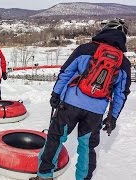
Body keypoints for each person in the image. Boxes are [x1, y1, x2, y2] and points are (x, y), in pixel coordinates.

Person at [30, 19, 131, 180]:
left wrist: (55, 94)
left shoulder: (85, 49)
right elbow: (121, 93)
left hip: (71, 104)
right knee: (87, 147)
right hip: (96, 111)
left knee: (56, 137)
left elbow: (66, 73)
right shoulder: (123, 63)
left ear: (104, 31)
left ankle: (44, 175)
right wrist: (113, 117)